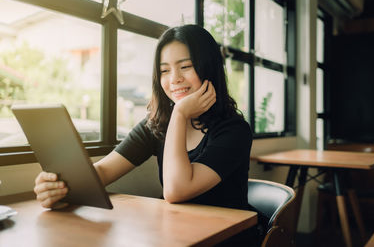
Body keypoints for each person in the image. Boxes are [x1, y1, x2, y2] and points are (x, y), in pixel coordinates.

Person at [34, 24, 256, 244]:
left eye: (185, 66)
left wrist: (179, 114)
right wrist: (59, 187)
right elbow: (102, 171)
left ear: (208, 68)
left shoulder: (234, 131)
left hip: (227, 238)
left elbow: (176, 190)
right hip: (176, 235)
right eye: (164, 70)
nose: (174, 79)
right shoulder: (156, 124)